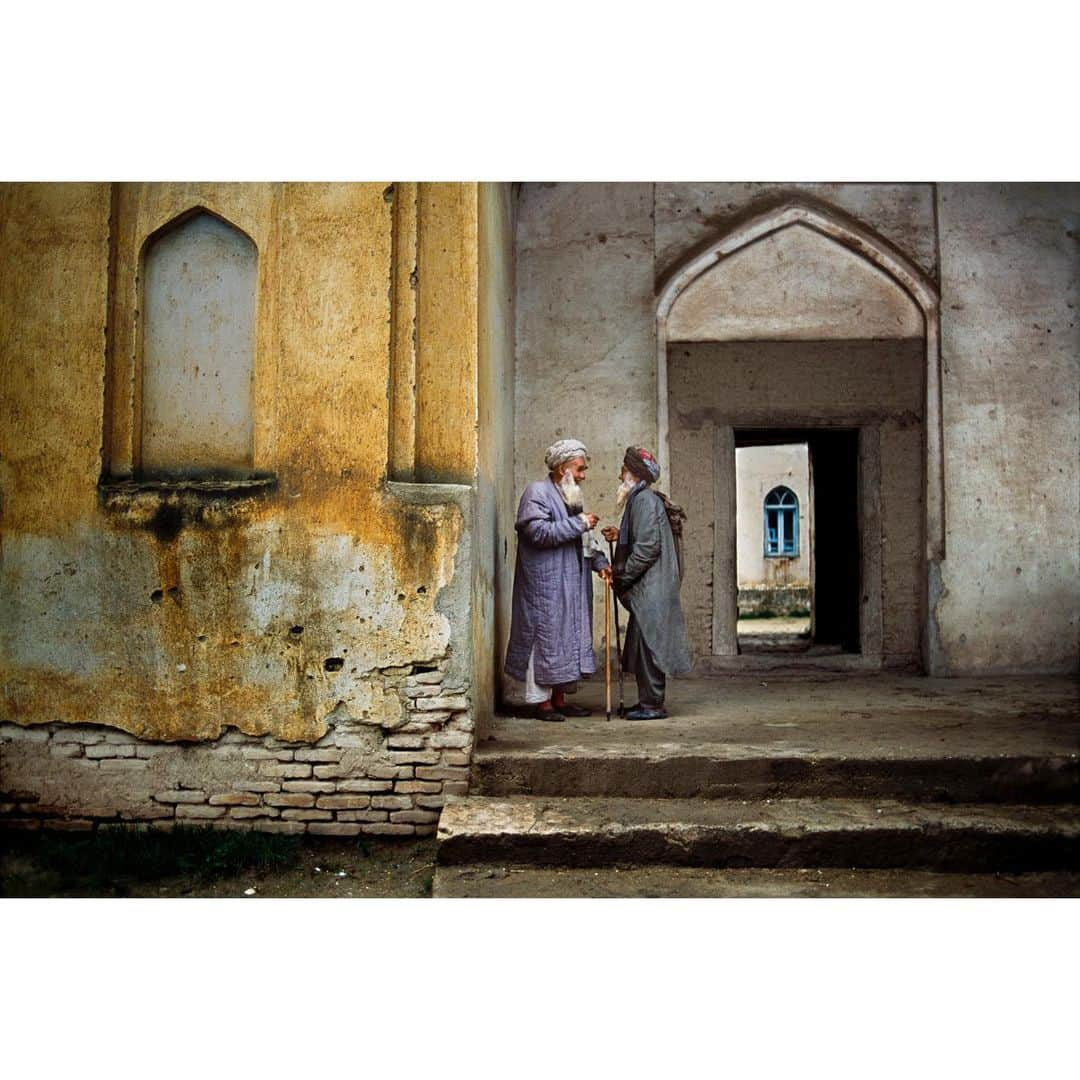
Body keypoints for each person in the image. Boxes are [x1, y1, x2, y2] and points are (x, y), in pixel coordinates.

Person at [504, 439, 612, 721]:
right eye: (579, 469)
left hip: (573, 584)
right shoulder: (536, 492)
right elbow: (537, 533)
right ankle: (542, 704)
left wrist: (600, 563)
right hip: (546, 585)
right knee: (545, 640)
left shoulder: (573, 496)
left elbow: (585, 541)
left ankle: (560, 699)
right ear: (562, 468)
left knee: (568, 639)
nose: (583, 475)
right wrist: (580, 523)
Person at [602, 446, 691, 720]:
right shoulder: (642, 500)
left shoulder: (643, 501)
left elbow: (648, 547)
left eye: (622, 470)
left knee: (650, 648)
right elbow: (646, 536)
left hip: (651, 590)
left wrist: (622, 575)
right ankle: (647, 702)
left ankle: (652, 705)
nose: (619, 474)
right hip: (650, 590)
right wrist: (621, 534)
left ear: (631, 473)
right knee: (642, 647)